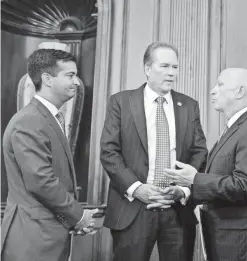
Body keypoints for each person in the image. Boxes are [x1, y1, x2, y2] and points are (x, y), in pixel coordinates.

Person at [100, 41, 208, 261]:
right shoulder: (121, 102)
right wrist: (137, 188)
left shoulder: (189, 105)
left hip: (176, 208)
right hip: (133, 208)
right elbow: (109, 151)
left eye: (175, 67)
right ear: (147, 69)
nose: (171, 73)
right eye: (165, 66)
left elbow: (199, 152)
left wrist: (182, 189)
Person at [163, 68, 247, 261]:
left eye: (220, 84)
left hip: (244, 246)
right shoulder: (239, 127)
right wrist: (187, 190)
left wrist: (195, 179)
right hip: (230, 242)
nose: (213, 90)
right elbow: (224, 179)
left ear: (239, 92)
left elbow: (245, 186)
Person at [1, 49, 99, 261]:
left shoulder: (47, 117)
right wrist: (79, 216)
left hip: (47, 235)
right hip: (33, 240)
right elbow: (41, 181)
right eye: (69, 75)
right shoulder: (29, 120)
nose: (76, 82)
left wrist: (72, 220)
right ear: (47, 79)